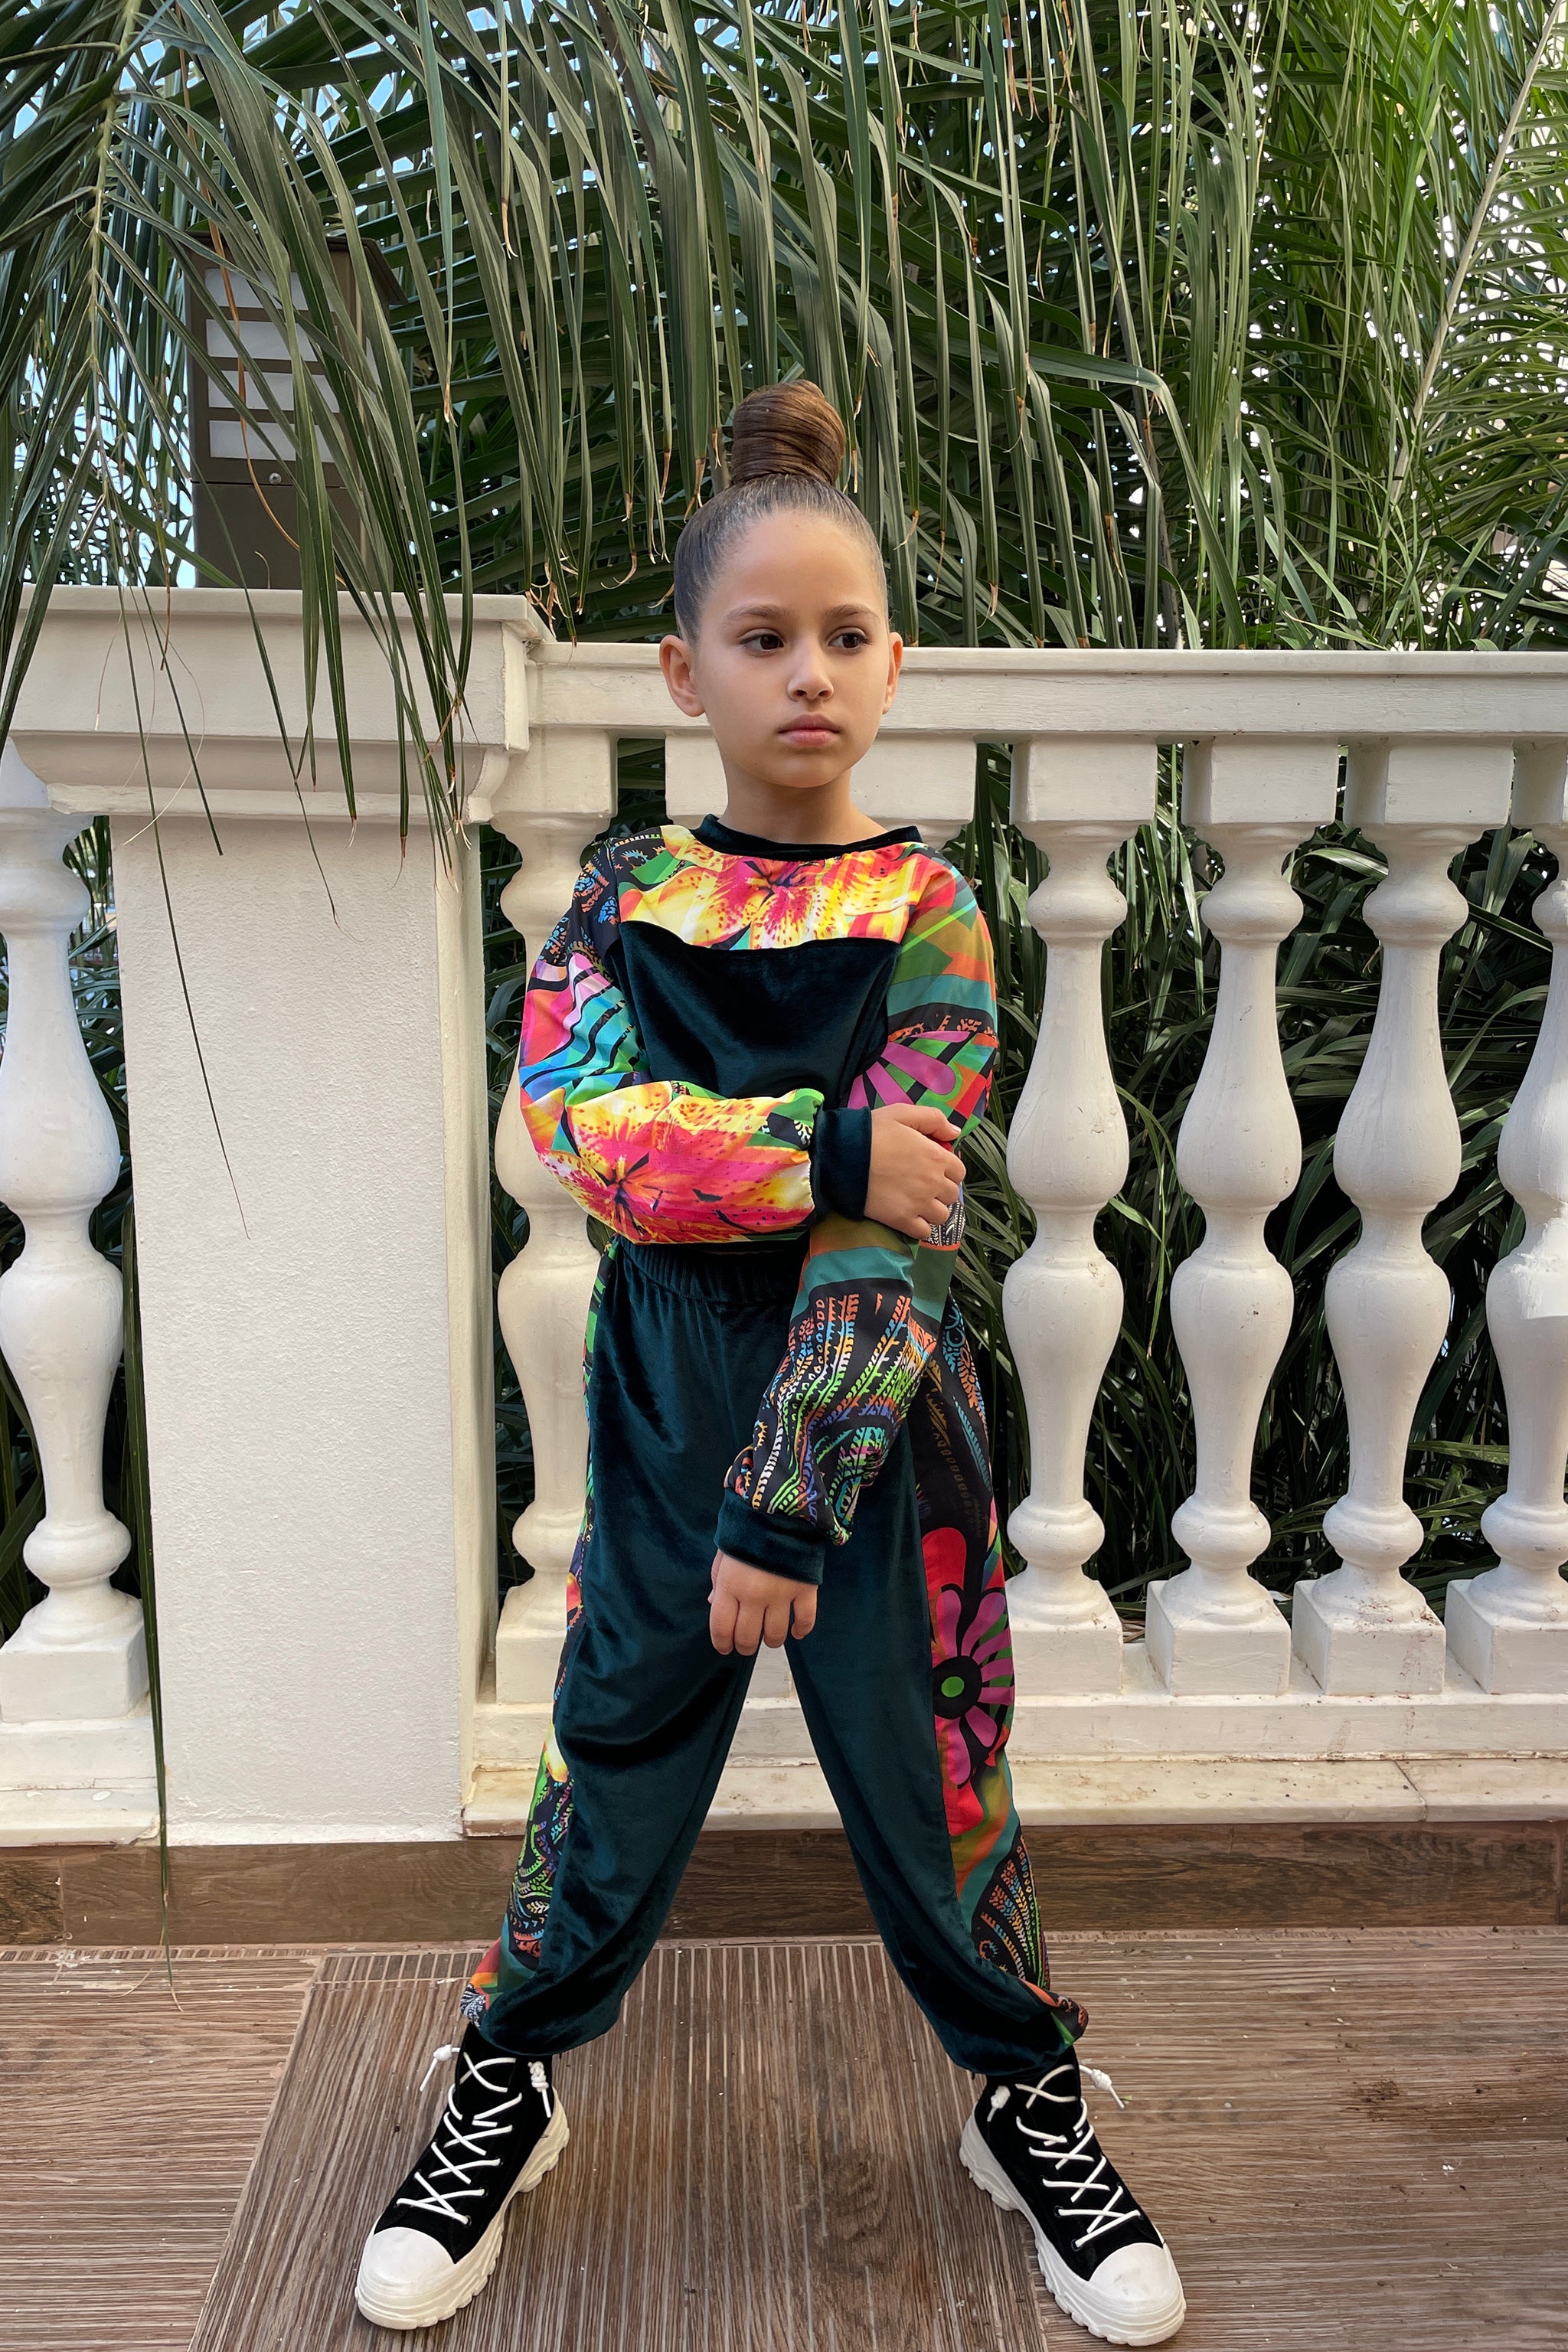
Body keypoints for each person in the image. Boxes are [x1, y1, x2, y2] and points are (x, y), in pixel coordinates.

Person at [354, 380, 1185, 2347]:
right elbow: (582, 1136)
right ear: (684, 671)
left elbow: (900, 1231)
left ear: (892, 665)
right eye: (761, 637)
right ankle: (507, 2077)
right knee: (610, 1750)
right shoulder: (623, 901)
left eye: (844, 635)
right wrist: (820, 1147)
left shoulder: (931, 911)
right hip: (661, 1396)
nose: (806, 672)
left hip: (874, 1421)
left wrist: (787, 1505)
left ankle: (1025, 2097)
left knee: (933, 1771)